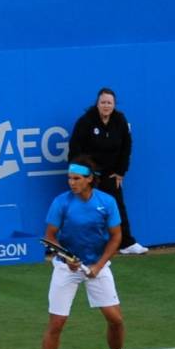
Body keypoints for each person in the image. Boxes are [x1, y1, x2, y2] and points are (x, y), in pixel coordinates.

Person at [36, 158, 131, 349]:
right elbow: (50, 236)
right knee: (57, 324)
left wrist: (99, 265)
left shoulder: (106, 202)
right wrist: (66, 258)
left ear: (89, 179)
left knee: (116, 320)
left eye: (77, 178)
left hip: (97, 266)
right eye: (69, 178)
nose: (72, 182)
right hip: (66, 268)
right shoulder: (61, 202)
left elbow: (116, 237)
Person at [68, 88, 147, 255]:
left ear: (114, 105)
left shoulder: (120, 120)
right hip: (88, 175)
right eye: (103, 102)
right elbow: (75, 150)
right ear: (97, 104)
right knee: (85, 209)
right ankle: (81, 245)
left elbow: (126, 146)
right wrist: (82, 176)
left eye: (109, 103)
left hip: (110, 174)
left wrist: (120, 171)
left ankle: (126, 243)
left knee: (117, 207)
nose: (106, 106)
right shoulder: (85, 121)